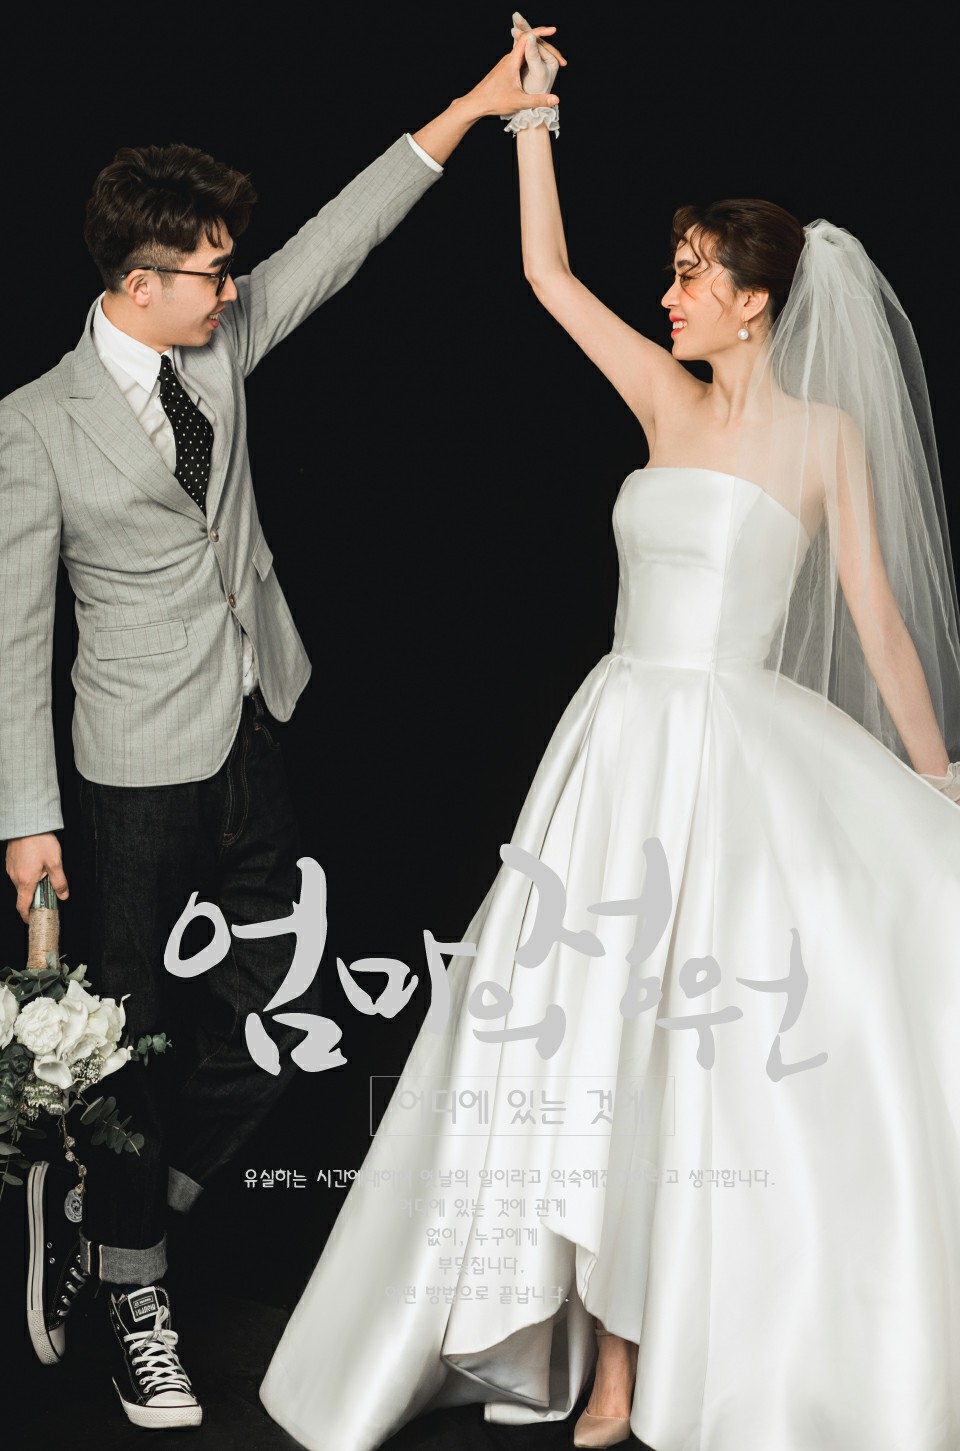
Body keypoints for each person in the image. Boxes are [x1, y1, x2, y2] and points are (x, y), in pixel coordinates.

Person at [257, 13, 960, 1451]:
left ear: (755, 303)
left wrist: (938, 772)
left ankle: (663, 1361)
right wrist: (532, 119)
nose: (672, 293)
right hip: (618, 751)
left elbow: (881, 624)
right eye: (676, 271)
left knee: (685, 1061)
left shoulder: (826, 441)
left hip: (736, 769)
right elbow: (547, 275)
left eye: (694, 275)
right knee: (583, 1051)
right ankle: (602, 1364)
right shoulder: (663, 397)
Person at [0, 34, 560, 1432]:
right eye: (210, 271)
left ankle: (117, 1212)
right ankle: (134, 1294)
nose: (234, 286)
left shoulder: (224, 343)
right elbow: (15, 632)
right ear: (139, 284)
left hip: (256, 723)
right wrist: (26, 815)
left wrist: (476, 108)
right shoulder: (35, 427)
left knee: (276, 1007)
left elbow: (342, 238)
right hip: (129, 766)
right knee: (131, 1040)